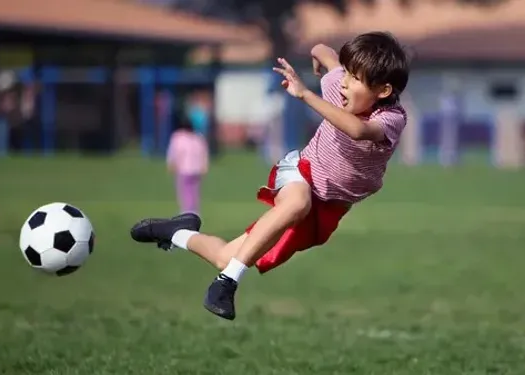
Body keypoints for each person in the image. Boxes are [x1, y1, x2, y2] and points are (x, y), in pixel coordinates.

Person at [130, 31, 410, 320]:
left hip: (328, 207)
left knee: (226, 256)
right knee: (297, 203)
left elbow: (358, 130)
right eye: (346, 73)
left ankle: (177, 232)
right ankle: (227, 284)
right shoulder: (338, 86)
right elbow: (326, 53)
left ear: (383, 91)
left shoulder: (391, 118)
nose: (344, 82)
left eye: (355, 78)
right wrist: (317, 52)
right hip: (301, 174)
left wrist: (306, 91)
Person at [166, 116, 209, 215]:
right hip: (196, 169)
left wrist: (171, 164)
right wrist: (204, 165)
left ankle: (186, 212)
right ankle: (194, 212)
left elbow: (174, 152)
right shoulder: (198, 137)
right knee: (194, 192)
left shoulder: (178, 137)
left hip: (184, 169)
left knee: (185, 192)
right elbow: (203, 153)